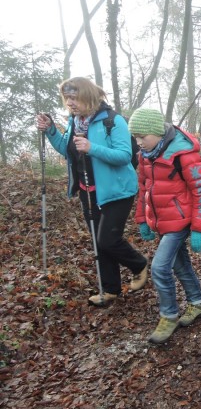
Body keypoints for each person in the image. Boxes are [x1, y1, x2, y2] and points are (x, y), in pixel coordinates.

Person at [35, 77, 148, 307]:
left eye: (74, 98)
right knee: (99, 242)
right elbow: (68, 152)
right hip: (88, 190)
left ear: (88, 96)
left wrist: (92, 147)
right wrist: (51, 131)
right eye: (67, 98)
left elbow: (124, 155)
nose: (70, 103)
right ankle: (110, 289)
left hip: (117, 190)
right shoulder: (75, 122)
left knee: (107, 239)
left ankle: (139, 265)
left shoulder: (113, 121)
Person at [129, 108, 201, 344]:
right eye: (135, 137)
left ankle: (169, 315)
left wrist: (198, 228)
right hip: (161, 221)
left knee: (159, 268)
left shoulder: (184, 154)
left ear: (156, 132)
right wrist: (142, 219)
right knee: (180, 265)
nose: (138, 142)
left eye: (142, 136)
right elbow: (144, 188)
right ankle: (196, 304)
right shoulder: (145, 155)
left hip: (181, 220)